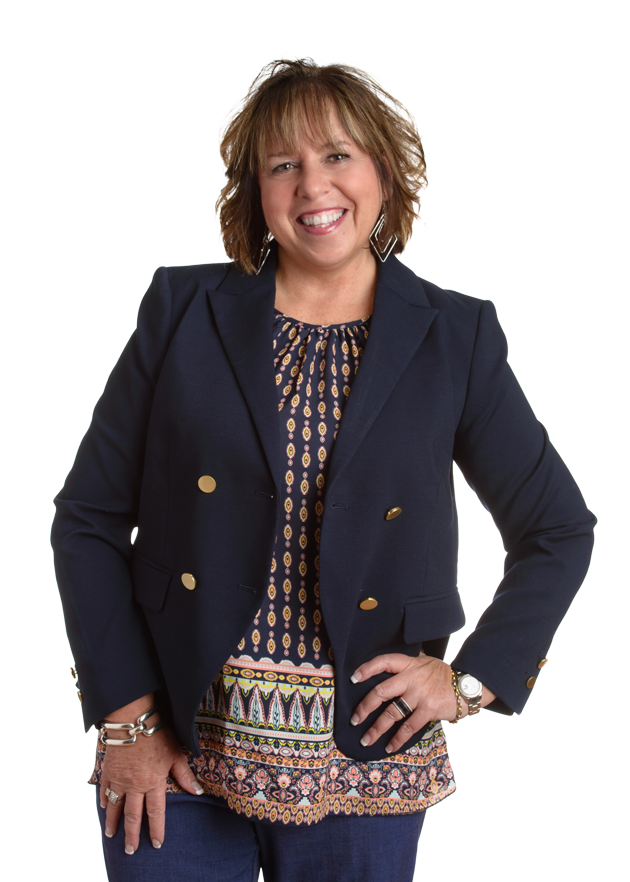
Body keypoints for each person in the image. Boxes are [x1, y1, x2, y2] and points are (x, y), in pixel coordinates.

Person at [51, 56, 596, 881]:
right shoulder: (181, 311)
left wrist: (470, 681)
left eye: (337, 155)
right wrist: (127, 718)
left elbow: (557, 528)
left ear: (383, 171)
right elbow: (88, 518)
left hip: (366, 759)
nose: (313, 185)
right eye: (283, 164)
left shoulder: (456, 337)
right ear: (256, 190)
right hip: (173, 746)